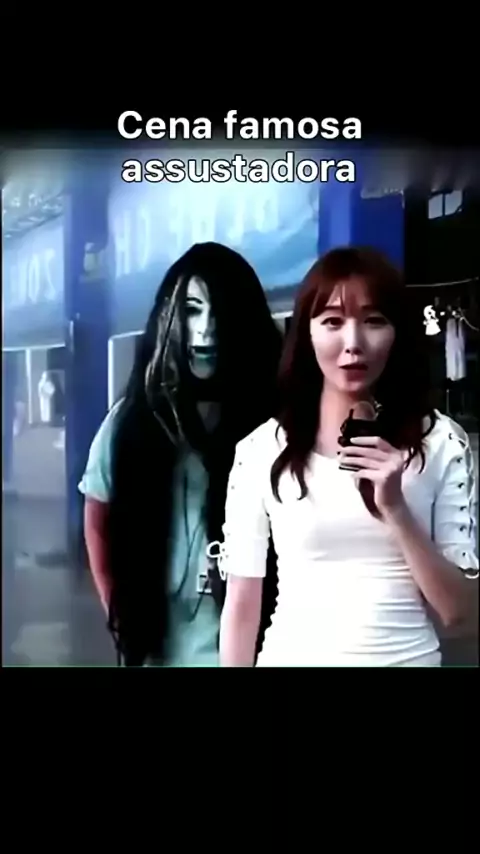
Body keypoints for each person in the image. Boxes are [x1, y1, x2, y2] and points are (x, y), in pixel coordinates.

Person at [219, 247, 478, 667]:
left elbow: (461, 615)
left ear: (397, 333)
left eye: (374, 321)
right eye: (333, 322)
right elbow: (242, 606)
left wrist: (396, 509)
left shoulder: (441, 442)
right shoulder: (261, 451)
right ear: (307, 334)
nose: (353, 344)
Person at [79, 242, 282, 666]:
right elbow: (98, 517)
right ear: (167, 318)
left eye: (219, 312)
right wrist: (119, 610)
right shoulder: (131, 423)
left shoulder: (275, 426)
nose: (206, 330)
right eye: (191, 310)